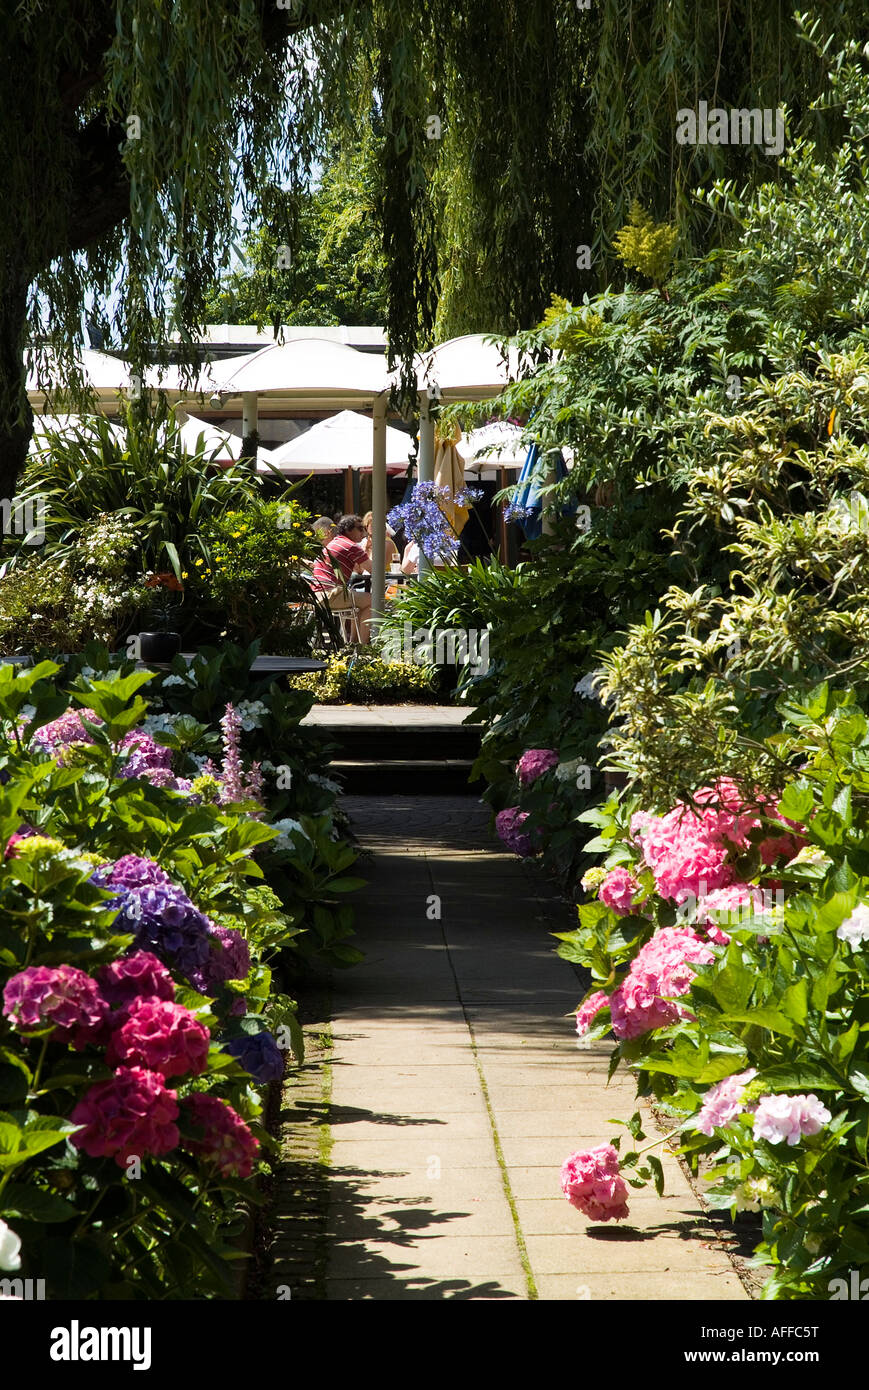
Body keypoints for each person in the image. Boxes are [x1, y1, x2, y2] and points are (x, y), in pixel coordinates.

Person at [310, 514, 373, 642]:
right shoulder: (350, 546)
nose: (364, 532)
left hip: (316, 594)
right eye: (360, 528)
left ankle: (355, 644)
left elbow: (360, 570)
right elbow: (375, 570)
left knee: (361, 602)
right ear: (349, 530)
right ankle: (363, 646)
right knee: (372, 601)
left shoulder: (336, 542)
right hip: (329, 594)